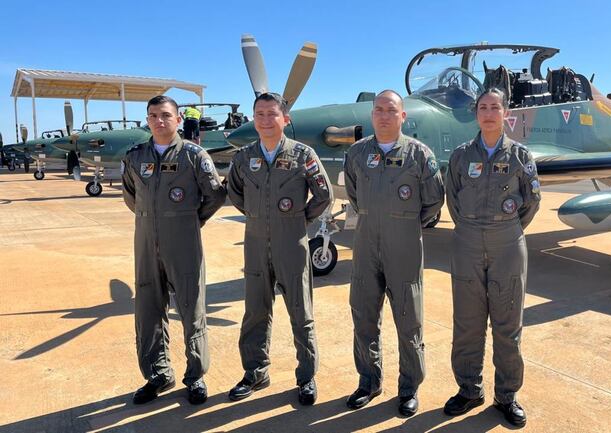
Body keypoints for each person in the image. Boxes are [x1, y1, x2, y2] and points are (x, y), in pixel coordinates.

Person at [343, 90, 444, 417]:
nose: (384, 116)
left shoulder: (419, 154)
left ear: (403, 116)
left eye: (391, 110)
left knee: (408, 320)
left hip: (404, 248)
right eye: (379, 110)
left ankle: (409, 387)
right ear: (372, 115)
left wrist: (404, 223)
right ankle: (368, 381)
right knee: (363, 316)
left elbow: (434, 201)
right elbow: (354, 195)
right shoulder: (357, 153)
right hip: (365, 246)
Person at [442, 87, 540, 427]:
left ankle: (506, 395)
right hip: (467, 241)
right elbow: (452, 199)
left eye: (495, 107)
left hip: (507, 243)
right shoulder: (460, 156)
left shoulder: (520, 156)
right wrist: (473, 228)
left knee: (507, 324)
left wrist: (506, 228)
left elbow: (531, 202)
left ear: (505, 113)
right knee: (467, 323)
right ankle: (469, 389)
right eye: (483, 107)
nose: (488, 113)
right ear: (476, 113)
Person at [226, 92, 332, 406]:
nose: (265, 120)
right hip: (255, 243)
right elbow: (234, 192)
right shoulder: (244, 157)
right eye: (259, 114)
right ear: (253, 118)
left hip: (292, 244)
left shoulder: (303, 154)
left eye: (272, 114)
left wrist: (297, 220)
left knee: (301, 312)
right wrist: (257, 215)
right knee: (255, 311)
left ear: (285, 119)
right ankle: (255, 372)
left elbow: (323, 195)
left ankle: (307, 376)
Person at [121, 95, 226, 405]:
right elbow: (131, 196)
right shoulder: (135, 156)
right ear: (147, 119)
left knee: (192, 310)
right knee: (148, 311)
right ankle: (158, 374)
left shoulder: (194, 155)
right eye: (153, 115)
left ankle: (196, 376)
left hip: (184, 243)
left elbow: (215, 195)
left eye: (166, 115)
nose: (159, 120)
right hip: (145, 243)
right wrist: (152, 219)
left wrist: (189, 221)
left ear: (178, 119)